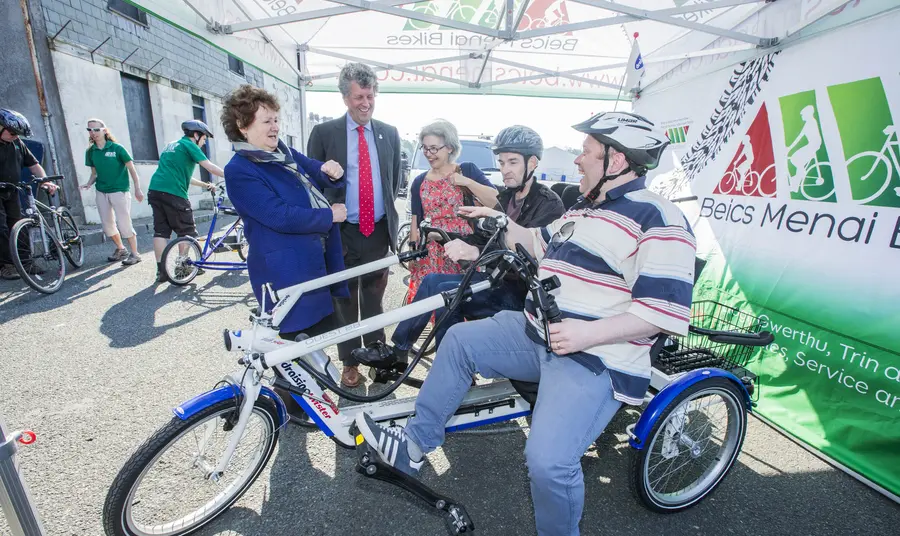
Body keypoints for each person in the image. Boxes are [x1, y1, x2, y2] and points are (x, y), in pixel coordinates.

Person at [355, 112, 697, 536]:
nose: (577, 161)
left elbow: (665, 311)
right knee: (460, 339)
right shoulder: (587, 208)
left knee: (549, 463)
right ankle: (412, 447)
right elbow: (536, 242)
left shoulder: (659, 218)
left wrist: (585, 333)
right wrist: (496, 223)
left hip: (593, 355)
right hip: (537, 333)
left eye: (587, 153)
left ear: (618, 161)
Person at [352, 125, 564, 364]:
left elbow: (537, 254)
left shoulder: (548, 204)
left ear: (532, 163)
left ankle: (449, 364)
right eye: (502, 163)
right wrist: (452, 239)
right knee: (433, 282)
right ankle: (401, 352)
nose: (505, 170)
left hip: (521, 293)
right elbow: (482, 237)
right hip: (497, 280)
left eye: (512, 162)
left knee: (448, 297)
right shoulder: (506, 197)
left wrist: (477, 250)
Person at [221, 85, 347, 417]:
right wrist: (327, 216)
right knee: (287, 343)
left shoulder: (283, 153)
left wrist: (329, 170)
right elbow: (278, 215)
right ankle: (287, 409)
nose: (275, 127)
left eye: (276, 119)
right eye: (266, 121)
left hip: (310, 260)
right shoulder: (239, 169)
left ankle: (308, 404)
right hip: (282, 271)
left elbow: (315, 170)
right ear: (243, 125)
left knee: (312, 336)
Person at [307, 62, 403, 388]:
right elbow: (312, 186)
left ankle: (376, 355)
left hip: (376, 230)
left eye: (371, 96)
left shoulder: (389, 133)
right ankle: (349, 362)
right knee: (345, 300)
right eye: (359, 97)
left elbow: (394, 182)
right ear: (345, 98)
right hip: (341, 233)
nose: (366, 103)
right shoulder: (323, 134)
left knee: (374, 299)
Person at [405, 119, 498, 301]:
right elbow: (416, 222)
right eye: (425, 148)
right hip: (432, 249)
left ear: (449, 147)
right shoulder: (419, 182)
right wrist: (412, 254)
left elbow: (495, 200)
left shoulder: (467, 170)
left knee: (462, 302)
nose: (428, 154)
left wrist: (467, 183)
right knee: (430, 302)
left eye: (434, 148)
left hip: (462, 246)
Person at [147, 119, 224, 283]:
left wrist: (204, 184)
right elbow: (209, 166)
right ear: (196, 135)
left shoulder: (172, 146)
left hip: (155, 190)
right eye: (203, 139)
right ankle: (182, 266)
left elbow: (183, 175)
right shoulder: (190, 145)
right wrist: (234, 176)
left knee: (161, 231)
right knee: (187, 231)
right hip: (174, 193)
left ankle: (161, 272)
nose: (203, 143)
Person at [0, 109, 56, 281]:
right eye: (12, 133)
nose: (15, 136)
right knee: (0, 227)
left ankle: (26, 262)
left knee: (19, 224)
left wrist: (44, 180)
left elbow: (33, 164)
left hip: (12, 190)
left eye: (18, 134)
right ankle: (6, 265)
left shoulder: (17, 144)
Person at [80, 118, 144, 266]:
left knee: (124, 223)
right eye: (90, 130)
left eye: (96, 129)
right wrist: (88, 184)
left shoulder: (117, 148)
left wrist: (137, 189)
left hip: (119, 191)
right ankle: (121, 249)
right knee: (107, 224)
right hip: (101, 191)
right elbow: (94, 174)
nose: (93, 133)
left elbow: (132, 170)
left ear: (104, 130)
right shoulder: (91, 152)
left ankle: (135, 254)